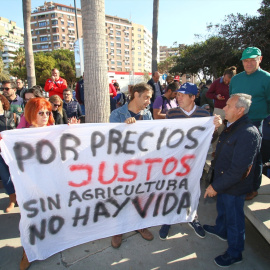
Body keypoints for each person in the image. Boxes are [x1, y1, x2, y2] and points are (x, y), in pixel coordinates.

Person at [204, 94, 261, 268]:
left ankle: (235, 253)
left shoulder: (247, 133)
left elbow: (239, 170)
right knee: (222, 207)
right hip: (224, 179)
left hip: (235, 185)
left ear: (240, 110)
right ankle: (221, 230)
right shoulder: (234, 126)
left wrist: (216, 185)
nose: (224, 108)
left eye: (228, 106)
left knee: (235, 219)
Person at [159, 82, 221, 240]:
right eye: (177, 94)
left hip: (194, 162)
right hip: (175, 160)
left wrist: (214, 128)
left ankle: (192, 217)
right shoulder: (172, 113)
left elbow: (209, 138)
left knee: (192, 190)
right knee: (172, 189)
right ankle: (168, 218)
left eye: (182, 95)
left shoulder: (204, 115)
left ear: (193, 97)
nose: (178, 97)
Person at [109, 82, 154, 248]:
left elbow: (152, 138)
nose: (149, 101)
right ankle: (118, 230)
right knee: (120, 197)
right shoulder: (117, 114)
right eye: (146, 97)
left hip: (142, 164)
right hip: (122, 165)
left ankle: (139, 225)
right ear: (136, 95)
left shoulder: (148, 115)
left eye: (150, 98)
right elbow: (111, 140)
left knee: (140, 196)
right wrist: (124, 129)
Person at [229, 47, 270, 200]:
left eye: (252, 60)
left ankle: (252, 187)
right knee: (235, 154)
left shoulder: (267, 78)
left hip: (256, 122)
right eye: (246, 60)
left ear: (260, 59)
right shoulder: (236, 79)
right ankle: (237, 183)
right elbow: (231, 99)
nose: (249, 63)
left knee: (254, 156)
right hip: (236, 122)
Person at [206, 66, 237, 153]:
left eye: (228, 81)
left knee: (230, 130)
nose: (226, 82)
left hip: (232, 110)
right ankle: (215, 150)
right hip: (219, 109)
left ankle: (228, 150)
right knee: (217, 130)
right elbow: (208, 94)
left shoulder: (236, 83)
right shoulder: (216, 82)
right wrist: (216, 97)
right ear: (223, 75)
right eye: (225, 80)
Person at [0, 94, 20, 213]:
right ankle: (12, 199)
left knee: (17, 174)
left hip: (13, 151)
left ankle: (21, 196)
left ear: (2, 102)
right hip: (0, 152)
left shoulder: (13, 116)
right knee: (5, 176)